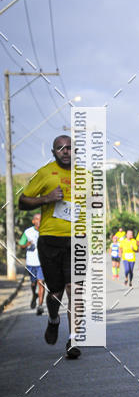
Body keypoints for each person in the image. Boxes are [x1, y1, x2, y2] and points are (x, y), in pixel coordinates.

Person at [18, 134, 82, 358]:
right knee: (55, 292)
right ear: (54, 152)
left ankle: (73, 341)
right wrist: (46, 198)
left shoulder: (87, 176)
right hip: (50, 240)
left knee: (74, 290)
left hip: (76, 240)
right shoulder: (45, 173)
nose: (65, 151)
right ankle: (53, 319)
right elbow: (22, 202)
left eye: (70, 148)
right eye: (60, 148)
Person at [18, 213, 45, 315]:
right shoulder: (28, 232)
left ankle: (40, 306)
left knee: (41, 283)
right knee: (33, 283)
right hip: (31, 263)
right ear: (33, 221)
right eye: (37, 219)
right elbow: (21, 245)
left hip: (42, 263)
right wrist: (27, 244)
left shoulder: (46, 231)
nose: (39, 221)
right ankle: (34, 295)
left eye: (41, 219)